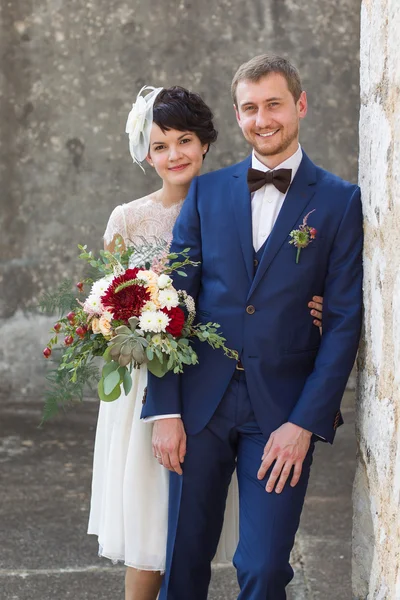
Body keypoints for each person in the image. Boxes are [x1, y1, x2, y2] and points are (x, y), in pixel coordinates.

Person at [88, 85, 325, 600]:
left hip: (230, 386)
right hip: (158, 391)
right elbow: (104, 302)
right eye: (159, 146)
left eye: (184, 140)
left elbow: (278, 281)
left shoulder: (230, 193)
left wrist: (317, 305)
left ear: (205, 141)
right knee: (153, 537)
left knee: (226, 546)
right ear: (146, 155)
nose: (174, 154)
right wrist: (127, 323)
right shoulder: (129, 218)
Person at [143, 55, 363, 600]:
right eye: (249, 109)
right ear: (238, 116)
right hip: (200, 404)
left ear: (300, 105)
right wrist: (167, 409)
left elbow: (342, 322)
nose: (262, 120)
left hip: (282, 413)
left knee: (264, 567)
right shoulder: (207, 191)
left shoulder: (339, 201)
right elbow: (172, 302)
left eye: (273, 105)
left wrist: (305, 423)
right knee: (183, 559)